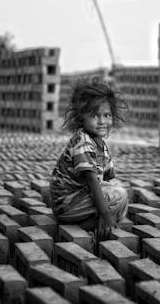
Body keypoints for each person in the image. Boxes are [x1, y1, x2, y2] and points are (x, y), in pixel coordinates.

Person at [50, 81, 128, 242]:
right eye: (94, 115)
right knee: (119, 195)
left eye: (107, 115)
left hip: (81, 199)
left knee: (120, 195)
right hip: (66, 204)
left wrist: (109, 207)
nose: (102, 121)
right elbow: (93, 180)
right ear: (81, 118)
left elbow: (107, 178)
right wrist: (106, 214)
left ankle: (95, 222)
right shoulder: (82, 141)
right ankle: (82, 227)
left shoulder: (101, 145)